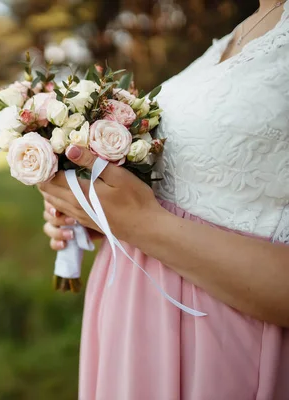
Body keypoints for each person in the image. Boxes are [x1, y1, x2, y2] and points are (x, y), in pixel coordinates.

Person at [38, 1, 289, 398]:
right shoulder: (235, 35)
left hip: (225, 347)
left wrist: (140, 223)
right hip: (134, 326)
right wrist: (99, 213)